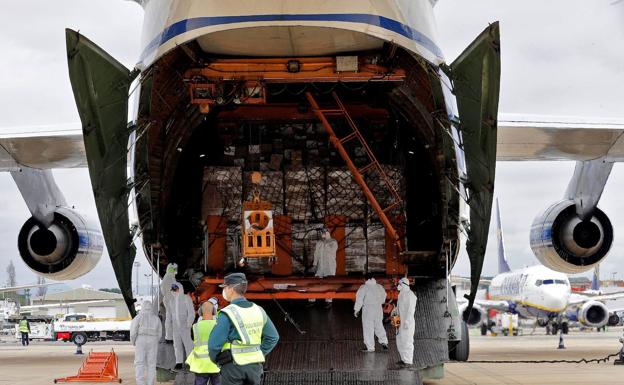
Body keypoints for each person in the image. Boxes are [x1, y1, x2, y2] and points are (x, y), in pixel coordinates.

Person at [209, 273, 279, 385]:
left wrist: (217, 360)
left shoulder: (227, 313)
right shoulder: (259, 310)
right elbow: (273, 337)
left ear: (231, 289)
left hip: (232, 367)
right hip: (254, 367)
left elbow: (214, 345)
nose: (224, 291)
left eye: (225, 288)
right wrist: (259, 352)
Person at [186, 300, 221, 385]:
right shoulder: (219, 325)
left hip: (200, 365)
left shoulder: (195, 327)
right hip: (215, 364)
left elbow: (193, 339)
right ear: (214, 311)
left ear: (200, 312)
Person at [131, 300, 162, 385]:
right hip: (153, 340)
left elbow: (133, 331)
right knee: (151, 363)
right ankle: (150, 383)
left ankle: (140, 383)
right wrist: (155, 340)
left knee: (139, 362)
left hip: (141, 339)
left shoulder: (138, 317)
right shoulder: (156, 318)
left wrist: (134, 341)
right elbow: (160, 332)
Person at [354, 277, 389, 352]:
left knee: (368, 328)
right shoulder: (379, 287)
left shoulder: (364, 288)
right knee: (379, 325)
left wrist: (357, 310)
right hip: (378, 309)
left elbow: (359, 299)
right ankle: (384, 341)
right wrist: (380, 302)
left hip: (368, 309)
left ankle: (370, 347)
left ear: (365, 280)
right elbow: (384, 296)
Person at [170, 282, 196, 370]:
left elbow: (191, 313)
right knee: (177, 344)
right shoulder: (171, 300)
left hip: (185, 325)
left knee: (188, 344)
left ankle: (190, 361)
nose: (174, 290)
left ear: (180, 288)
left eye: (176, 288)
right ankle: (179, 362)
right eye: (173, 288)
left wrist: (189, 324)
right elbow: (170, 315)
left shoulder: (186, 298)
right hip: (175, 327)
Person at [395, 277, 417, 367]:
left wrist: (407, 321)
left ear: (404, 284)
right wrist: (395, 311)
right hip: (400, 322)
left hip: (407, 323)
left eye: (400, 284)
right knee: (400, 340)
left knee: (407, 341)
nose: (398, 286)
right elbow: (400, 307)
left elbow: (411, 310)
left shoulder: (410, 295)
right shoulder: (401, 294)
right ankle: (403, 359)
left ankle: (408, 361)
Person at [160, 263, 178, 343]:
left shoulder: (166, 277)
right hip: (171, 300)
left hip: (168, 299)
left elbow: (163, 289)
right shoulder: (170, 278)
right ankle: (171, 337)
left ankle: (169, 336)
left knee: (169, 318)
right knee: (173, 318)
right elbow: (175, 290)